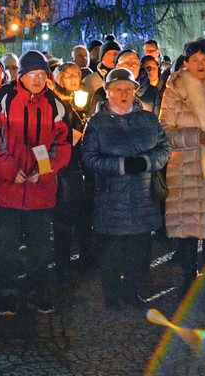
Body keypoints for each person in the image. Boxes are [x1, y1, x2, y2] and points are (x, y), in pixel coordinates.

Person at [0, 51, 71, 315]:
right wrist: (9, 170)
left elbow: (62, 146)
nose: (36, 80)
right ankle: (7, 293)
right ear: (20, 76)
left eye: (41, 75)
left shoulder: (56, 105)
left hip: (40, 191)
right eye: (31, 75)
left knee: (40, 247)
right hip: (6, 189)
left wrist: (43, 172)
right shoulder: (4, 99)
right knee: (5, 246)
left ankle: (38, 291)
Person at [82, 68, 170, 310]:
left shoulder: (149, 119)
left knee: (139, 252)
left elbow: (164, 149)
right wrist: (120, 165)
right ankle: (111, 295)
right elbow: (89, 158)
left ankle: (133, 292)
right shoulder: (97, 124)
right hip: (112, 199)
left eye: (129, 89)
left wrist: (146, 162)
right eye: (118, 89)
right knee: (112, 253)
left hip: (143, 197)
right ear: (108, 93)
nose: (124, 94)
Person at [159, 38, 205, 299]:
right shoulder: (174, 89)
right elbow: (165, 130)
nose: (201, 65)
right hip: (187, 169)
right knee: (188, 232)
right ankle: (188, 285)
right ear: (186, 62)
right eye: (195, 59)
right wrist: (197, 137)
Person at [51, 62, 95, 282]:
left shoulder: (82, 99)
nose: (73, 79)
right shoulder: (54, 101)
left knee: (84, 218)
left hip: (82, 166)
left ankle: (87, 259)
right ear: (59, 78)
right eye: (68, 75)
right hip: (64, 169)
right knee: (63, 221)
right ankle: (62, 265)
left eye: (76, 75)